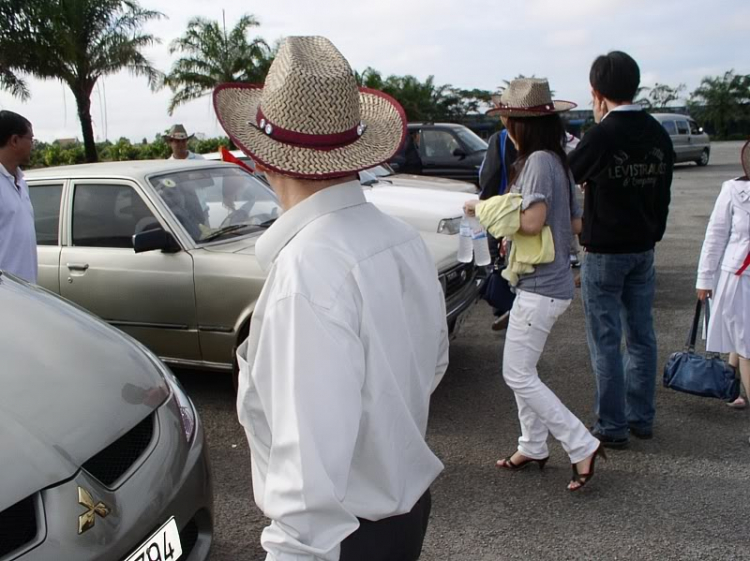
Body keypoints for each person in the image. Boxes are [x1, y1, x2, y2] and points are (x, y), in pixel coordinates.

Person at [214, 36, 448, 560]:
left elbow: (306, 494)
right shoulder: (403, 240)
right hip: (405, 514)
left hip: (345, 539)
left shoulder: (307, 272)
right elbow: (429, 367)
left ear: (260, 157)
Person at [465, 78, 605, 492]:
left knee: (518, 374)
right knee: (522, 369)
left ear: (519, 124)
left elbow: (532, 220)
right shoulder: (557, 160)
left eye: (507, 119)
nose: (505, 126)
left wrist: (484, 208)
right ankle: (532, 445)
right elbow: (576, 223)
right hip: (550, 280)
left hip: (541, 284)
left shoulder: (539, 162)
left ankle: (581, 444)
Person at [568, 51, 674, 448]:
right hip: (643, 247)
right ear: (636, 85)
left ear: (596, 93)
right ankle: (640, 417)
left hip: (605, 250)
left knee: (606, 339)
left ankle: (611, 426)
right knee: (642, 335)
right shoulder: (657, 133)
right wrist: (653, 233)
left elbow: (569, 175)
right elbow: (663, 194)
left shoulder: (602, 134)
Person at [696, 140, 750, 420]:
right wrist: (704, 278)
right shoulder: (734, 190)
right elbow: (715, 236)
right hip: (738, 279)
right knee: (746, 344)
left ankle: (731, 385)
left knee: (743, 340)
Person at [479, 126, 518, 331]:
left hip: (501, 207)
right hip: (527, 209)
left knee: (498, 259)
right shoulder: (545, 135)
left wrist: (485, 205)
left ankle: (504, 306)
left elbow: (489, 174)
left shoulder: (500, 138)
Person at [0, 110, 37, 283]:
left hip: (26, 292)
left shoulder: (21, 182)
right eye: (31, 139)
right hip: (6, 297)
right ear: (14, 140)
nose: (33, 145)